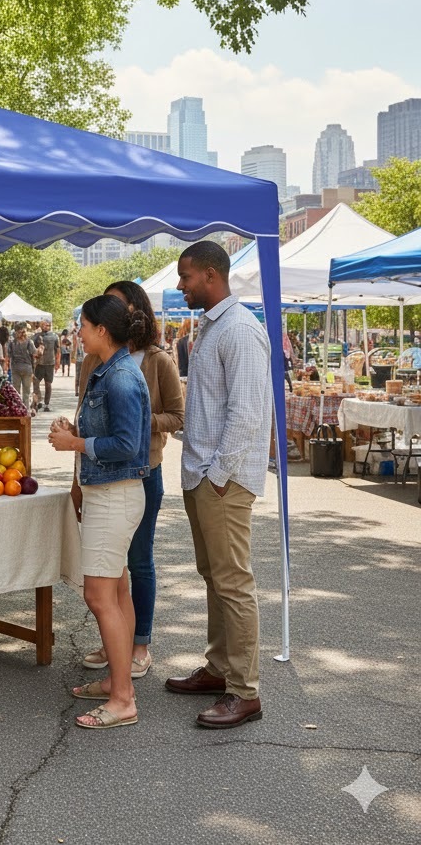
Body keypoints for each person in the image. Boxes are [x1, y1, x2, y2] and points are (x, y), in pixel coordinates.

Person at [168, 240, 270, 729]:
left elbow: (247, 412)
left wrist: (220, 475)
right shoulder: (213, 326)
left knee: (233, 583)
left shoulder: (241, 330)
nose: (181, 285)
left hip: (221, 481)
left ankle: (244, 691)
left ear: (210, 274)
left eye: (186, 277)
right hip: (204, 475)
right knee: (215, 578)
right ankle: (218, 669)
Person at [48, 295, 150, 730]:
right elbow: (112, 434)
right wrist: (78, 433)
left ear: (102, 331)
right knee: (118, 592)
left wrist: (76, 444)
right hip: (110, 493)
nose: (79, 333)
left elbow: (127, 445)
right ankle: (118, 681)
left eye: (83, 325)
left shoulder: (122, 377)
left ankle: (124, 698)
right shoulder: (111, 370)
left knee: (99, 596)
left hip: (114, 496)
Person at [74, 281, 185, 680]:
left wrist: (137, 421)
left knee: (135, 564)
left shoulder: (149, 363)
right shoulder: (99, 363)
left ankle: (138, 645)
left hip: (136, 474)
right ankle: (117, 648)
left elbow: (173, 416)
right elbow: (88, 417)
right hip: (102, 476)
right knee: (113, 576)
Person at [31, 320, 60, 412]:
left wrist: (58, 362)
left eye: (47, 325)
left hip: (50, 363)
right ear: (41, 325)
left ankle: (46, 403)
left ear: (50, 326)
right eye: (43, 325)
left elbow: (58, 350)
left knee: (48, 384)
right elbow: (32, 349)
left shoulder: (55, 336)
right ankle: (38, 400)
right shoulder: (36, 336)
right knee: (36, 382)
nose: (45, 326)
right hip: (39, 364)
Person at [7, 322, 36, 410]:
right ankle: (26, 410)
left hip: (15, 368)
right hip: (27, 368)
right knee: (26, 392)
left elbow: (8, 355)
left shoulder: (12, 343)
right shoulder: (29, 342)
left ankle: (17, 409)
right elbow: (34, 353)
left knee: (16, 391)